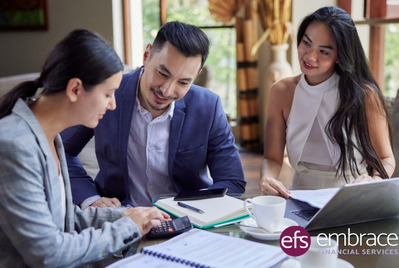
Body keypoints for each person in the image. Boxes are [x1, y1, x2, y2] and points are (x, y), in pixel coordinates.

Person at [0, 29, 170, 267]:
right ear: (75, 89)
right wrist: (129, 226)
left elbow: (65, 220)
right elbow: (49, 254)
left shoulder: (50, 136)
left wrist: (128, 214)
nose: (112, 105)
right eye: (108, 94)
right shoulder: (13, 145)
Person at [61, 21, 246, 208]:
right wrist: (91, 199)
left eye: (183, 82)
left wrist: (195, 208)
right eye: (162, 74)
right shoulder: (108, 93)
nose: (166, 91)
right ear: (147, 55)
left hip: (187, 221)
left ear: (196, 75)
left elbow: (232, 181)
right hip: (122, 217)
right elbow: (62, 150)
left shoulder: (208, 106)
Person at [260, 6, 395, 198]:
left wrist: (373, 181)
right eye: (306, 43)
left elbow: (386, 157)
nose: (309, 56)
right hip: (299, 195)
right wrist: (267, 178)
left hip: (352, 195)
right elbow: (272, 158)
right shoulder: (281, 92)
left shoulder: (364, 95)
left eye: (323, 52)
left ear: (340, 56)